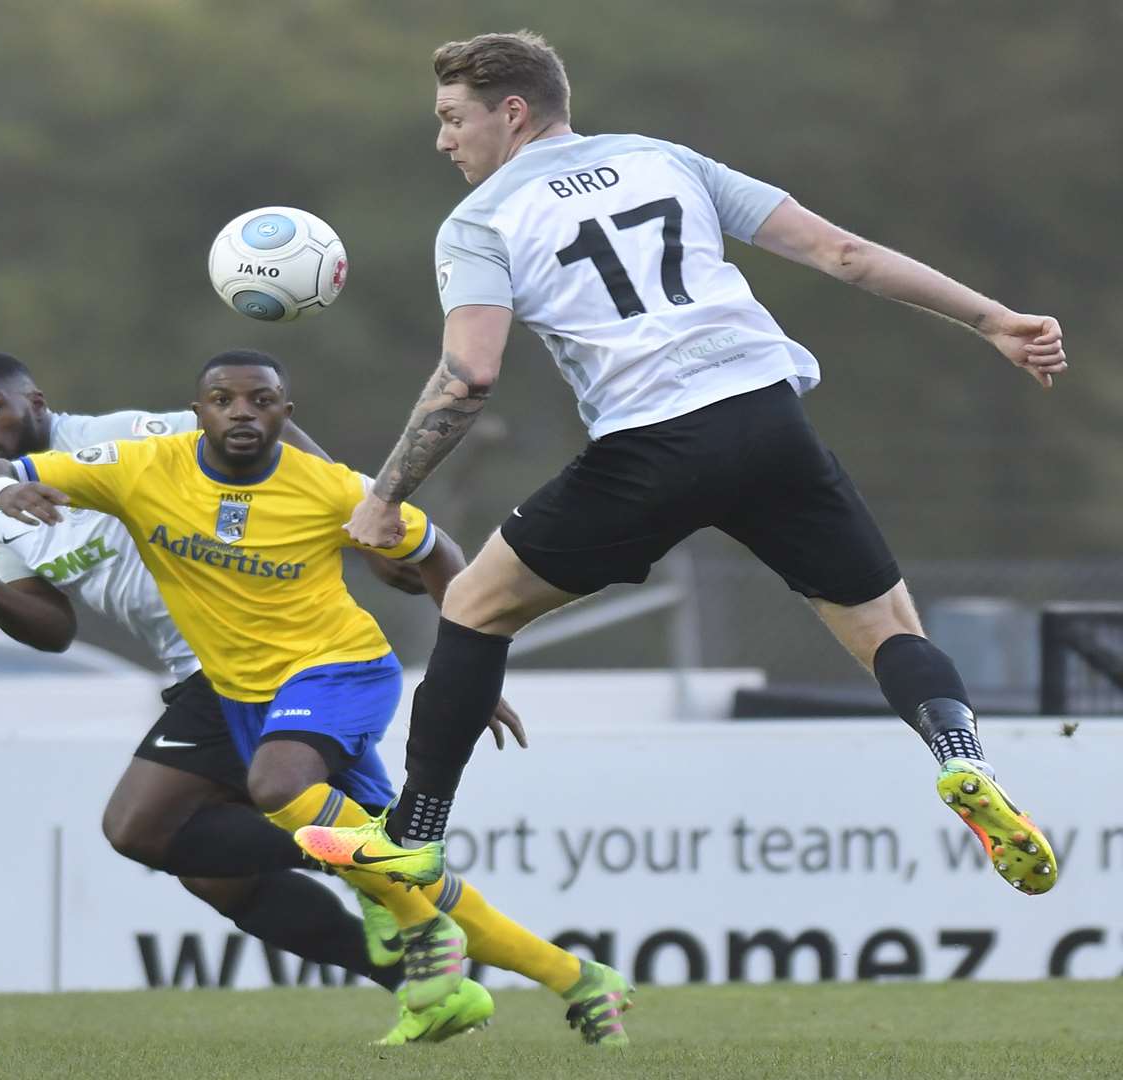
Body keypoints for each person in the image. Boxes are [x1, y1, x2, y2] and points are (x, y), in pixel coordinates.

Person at [296, 30, 1070, 949]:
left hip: (651, 444)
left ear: (512, 112)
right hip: (767, 417)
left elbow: (469, 375)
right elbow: (843, 254)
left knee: (473, 605)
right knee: (889, 629)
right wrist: (993, 320)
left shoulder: (480, 223)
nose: (443, 140)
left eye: (452, 119)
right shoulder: (662, 159)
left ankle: (412, 840)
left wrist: (385, 497)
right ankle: (958, 757)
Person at [0, 348, 632, 1045]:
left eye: (260, 401)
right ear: (200, 414)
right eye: (224, 400)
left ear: (286, 414)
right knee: (358, 865)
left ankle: (404, 917)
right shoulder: (138, 469)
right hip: (239, 687)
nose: (241, 412)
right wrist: (3, 493)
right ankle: (576, 980)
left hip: (329, 671)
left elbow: (437, 551)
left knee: (236, 806)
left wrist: (471, 668)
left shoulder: (321, 485)